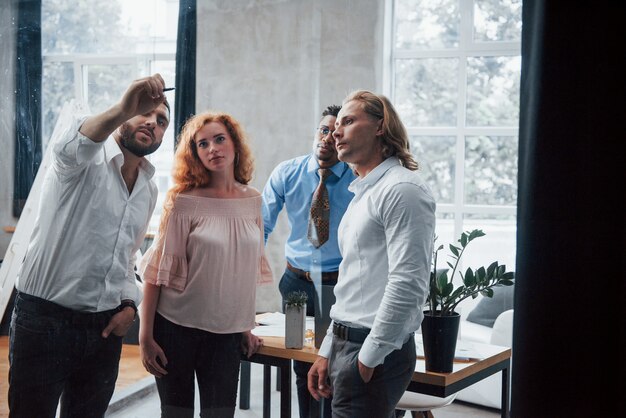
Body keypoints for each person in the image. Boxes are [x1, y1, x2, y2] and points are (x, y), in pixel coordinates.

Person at [8, 74, 171, 418]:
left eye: (161, 121)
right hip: (44, 321)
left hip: (105, 329)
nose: (151, 123)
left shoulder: (149, 188)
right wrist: (123, 107)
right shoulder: (80, 162)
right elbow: (69, 146)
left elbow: (128, 256)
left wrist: (129, 303)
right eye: (145, 112)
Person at [307, 90, 436, 418]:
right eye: (336, 125)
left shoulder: (401, 189)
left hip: (371, 347)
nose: (336, 131)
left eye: (348, 122)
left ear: (381, 127)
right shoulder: (364, 192)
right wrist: (327, 350)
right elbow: (352, 283)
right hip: (345, 343)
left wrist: (369, 357)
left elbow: (408, 283)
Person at [138, 110, 273, 418]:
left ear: (235, 144)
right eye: (203, 144)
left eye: (219, 139)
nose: (213, 148)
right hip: (175, 329)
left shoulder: (253, 200)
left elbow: (240, 270)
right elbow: (156, 273)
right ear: (195, 153)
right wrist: (145, 338)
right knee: (176, 415)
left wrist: (244, 326)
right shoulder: (184, 201)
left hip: (225, 335)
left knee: (220, 415)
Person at [262, 104, 356, 417]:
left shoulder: (356, 179)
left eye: (336, 131)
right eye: (323, 129)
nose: (328, 137)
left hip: (337, 286)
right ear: (315, 133)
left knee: (332, 363)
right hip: (295, 285)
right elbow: (260, 226)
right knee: (300, 360)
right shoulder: (287, 172)